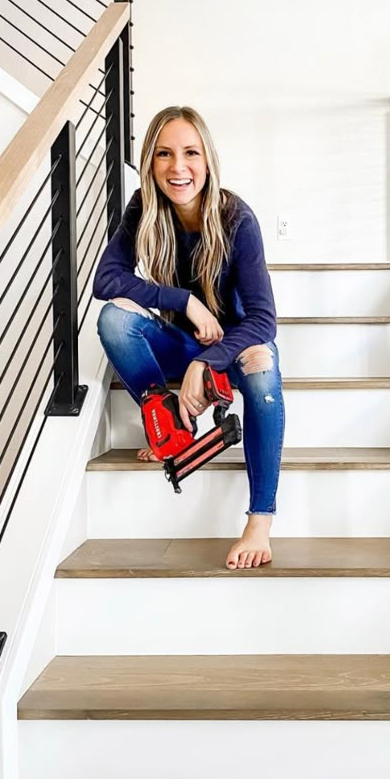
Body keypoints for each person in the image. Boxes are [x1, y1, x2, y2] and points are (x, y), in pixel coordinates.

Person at [93, 105, 284, 570]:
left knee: (262, 379)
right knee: (114, 320)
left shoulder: (237, 218)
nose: (178, 168)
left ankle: (260, 520)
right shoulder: (144, 207)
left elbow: (263, 319)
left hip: (237, 347)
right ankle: (169, 423)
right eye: (164, 154)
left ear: (208, 159)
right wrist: (182, 300)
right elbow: (106, 279)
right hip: (180, 342)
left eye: (190, 153)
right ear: (150, 163)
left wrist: (207, 362)